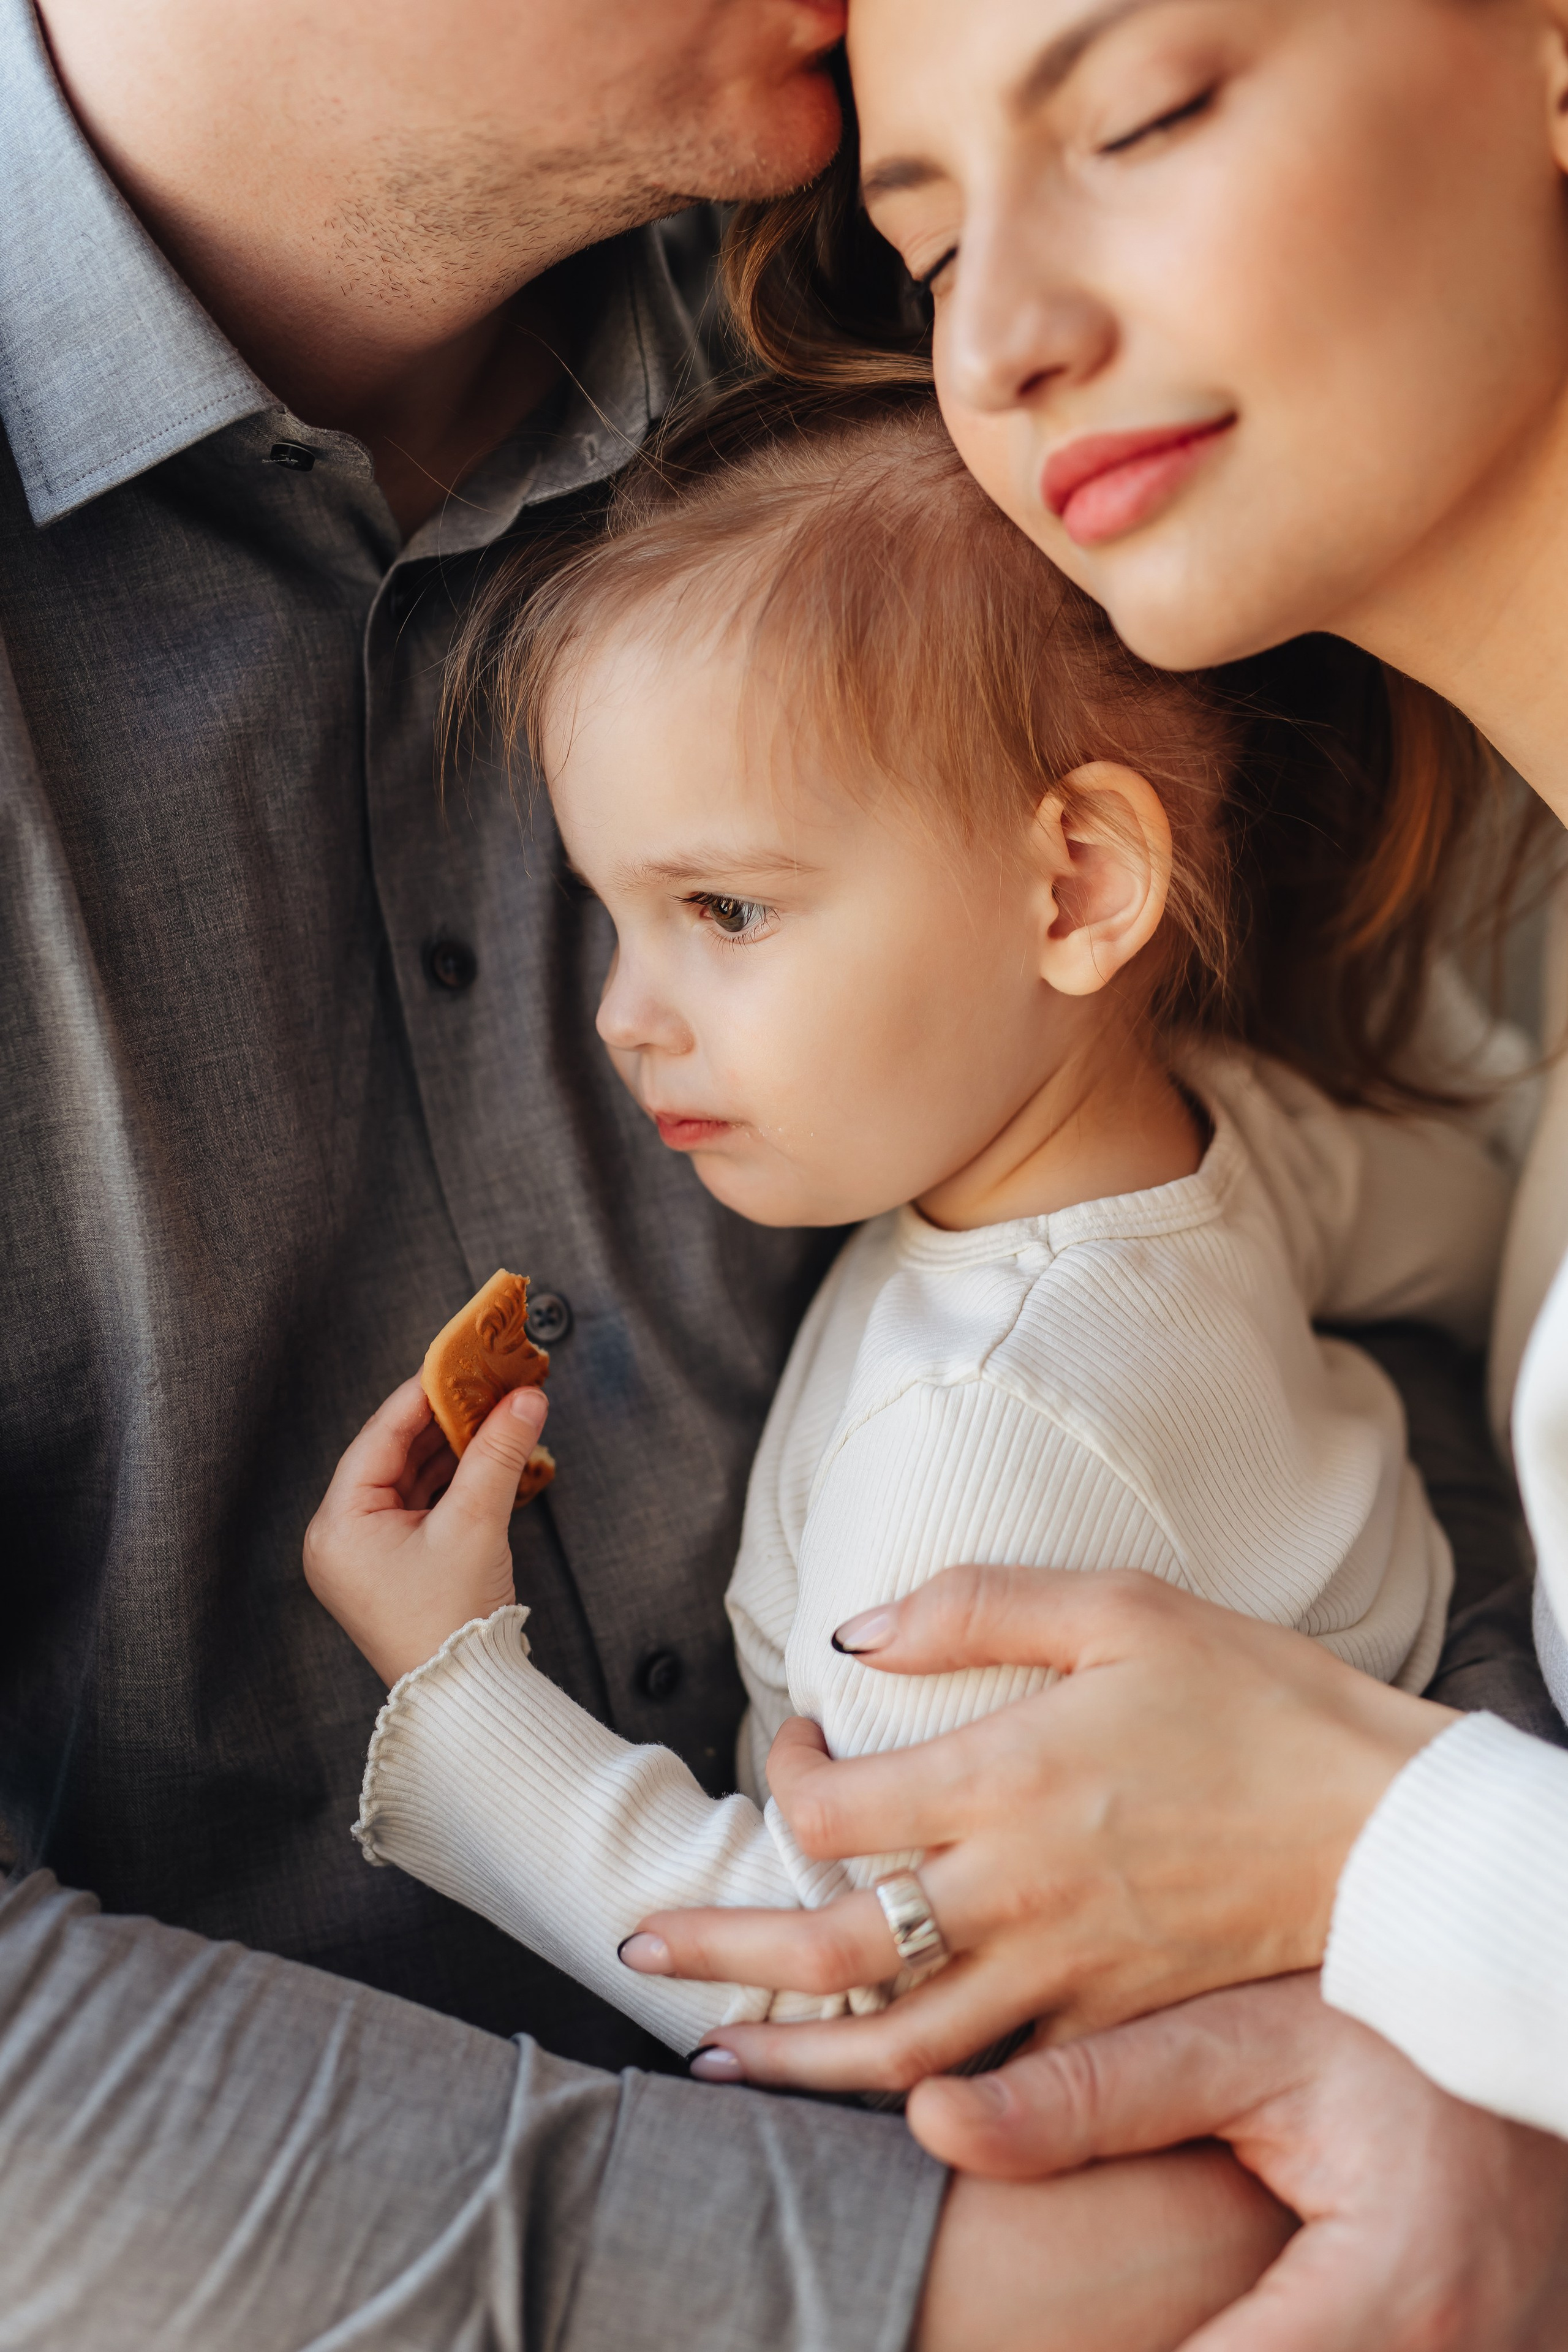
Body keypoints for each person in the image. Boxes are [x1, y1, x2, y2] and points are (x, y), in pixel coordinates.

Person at [0, 0, 1317, 2342]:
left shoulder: (961, 297)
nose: (632, 1015)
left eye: (712, 913)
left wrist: (1443, 2014)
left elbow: (1393, 1318)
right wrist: (1025, 2269)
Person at [590, 0, 1568, 2340]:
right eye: (925, 248)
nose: (1007, 345)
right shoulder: (1473, 1018)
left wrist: (1371, 1831)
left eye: (1139, 115)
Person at [303, 379, 1517, 2069]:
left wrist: (455, 1696)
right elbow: (1473, 1229)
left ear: (1077, 886)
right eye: (614, 915)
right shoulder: (1241, 1143)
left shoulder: (969, 1456)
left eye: (724, 909)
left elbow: (839, 1971)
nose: (621, 1015)